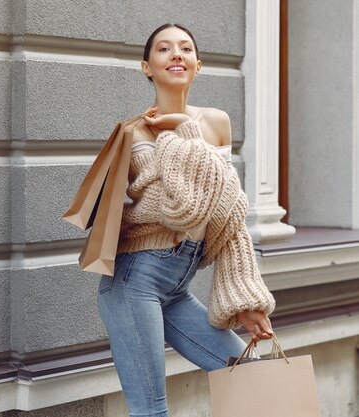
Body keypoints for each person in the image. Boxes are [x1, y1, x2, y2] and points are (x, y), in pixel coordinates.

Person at [96, 23, 276, 416]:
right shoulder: (131, 133)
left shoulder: (216, 121)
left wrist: (245, 300)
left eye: (185, 48)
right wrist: (183, 133)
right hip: (134, 282)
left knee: (250, 375)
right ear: (147, 67)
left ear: (198, 65)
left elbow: (228, 210)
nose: (176, 54)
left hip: (178, 284)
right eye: (163, 49)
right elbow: (182, 205)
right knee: (151, 410)